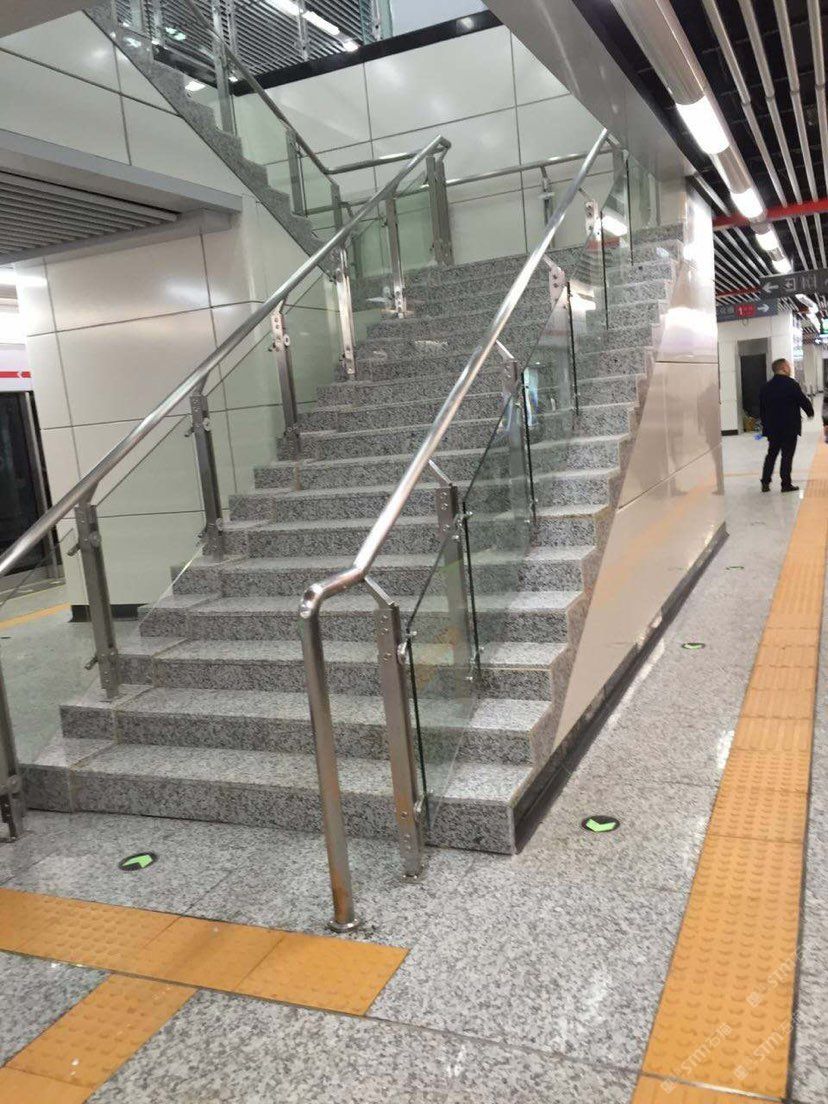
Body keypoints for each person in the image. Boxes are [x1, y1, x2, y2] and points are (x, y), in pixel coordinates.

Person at [759, 358, 814, 493]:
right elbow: (802, 400)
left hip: (773, 428)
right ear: (783, 367)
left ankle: (765, 482)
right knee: (787, 456)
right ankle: (786, 484)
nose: (790, 368)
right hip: (789, 427)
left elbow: (762, 410)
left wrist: (766, 427)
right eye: (788, 366)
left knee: (771, 455)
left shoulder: (766, 387)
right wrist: (810, 412)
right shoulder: (791, 384)